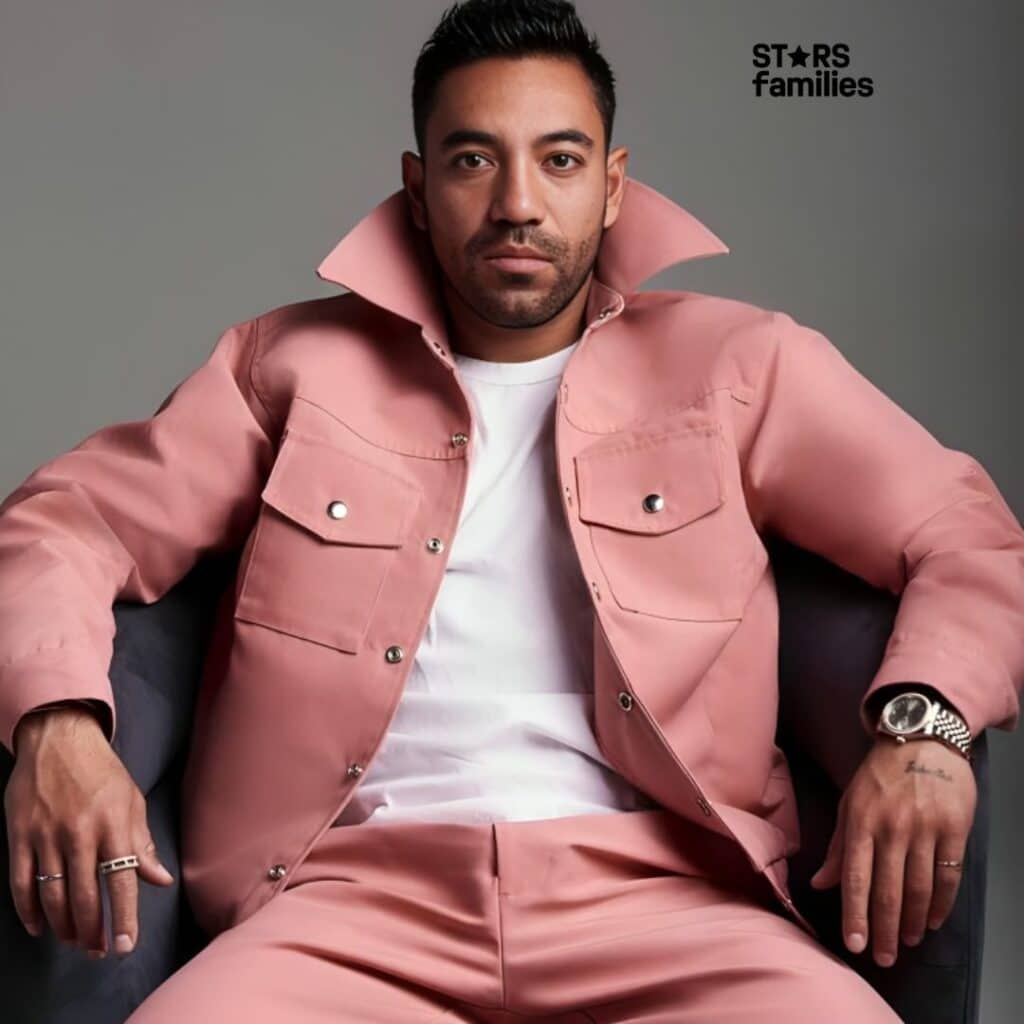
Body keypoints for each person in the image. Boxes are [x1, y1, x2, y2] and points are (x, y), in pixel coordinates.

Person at [2, 1, 1021, 1020]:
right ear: (417, 189)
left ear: (613, 185)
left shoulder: (741, 367)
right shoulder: (287, 369)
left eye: (562, 160)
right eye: (473, 161)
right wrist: (56, 721)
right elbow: (64, 522)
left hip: (675, 907)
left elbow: (970, 533)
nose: (518, 205)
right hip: (340, 913)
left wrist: (925, 728)